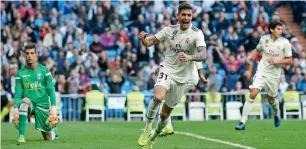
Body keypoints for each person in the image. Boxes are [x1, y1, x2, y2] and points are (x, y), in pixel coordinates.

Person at [137, 3, 206, 149]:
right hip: (167, 69)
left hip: (183, 78)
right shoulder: (169, 30)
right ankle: (147, 128)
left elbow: (203, 54)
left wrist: (190, 58)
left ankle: (153, 138)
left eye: (189, 15)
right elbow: (150, 42)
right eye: (184, 15)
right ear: (178, 16)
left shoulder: (197, 33)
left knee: (164, 115)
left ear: (191, 16)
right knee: (158, 97)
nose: (186, 18)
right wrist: (144, 39)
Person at [235, 20, 292, 130]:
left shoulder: (285, 42)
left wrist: (277, 61)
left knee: (271, 100)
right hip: (262, 71)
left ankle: (276, 115)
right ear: (271, 30)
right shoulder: (264, 39)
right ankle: (242, 122)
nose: (281, 31)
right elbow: (257, 50)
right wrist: (249, 57)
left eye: (282, 29)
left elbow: (289, 60)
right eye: (278, 29)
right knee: (253, 94)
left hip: (274, 75)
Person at [13, 43, 58, 143]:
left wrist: (54, 109)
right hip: (30, 104)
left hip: (43, 105)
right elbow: (17, 93)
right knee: (24, 102)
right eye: (27, 53)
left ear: (36, 55)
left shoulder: (45, 70)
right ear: (24, 55)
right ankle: (21, 136)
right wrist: (16, 111)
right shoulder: (20, 73)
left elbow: (51, 90)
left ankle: (53, 130)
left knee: (48, 139)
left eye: (32, 53)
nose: (29, 55)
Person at [158, 62, 208, 137]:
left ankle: (164, 127)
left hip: (185, 78)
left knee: (165, 100)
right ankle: (166, 127)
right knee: (167, 100)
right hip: (191, 79)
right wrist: (201, 75)